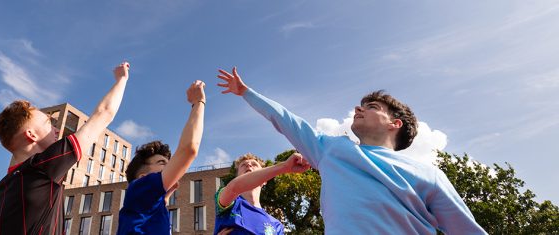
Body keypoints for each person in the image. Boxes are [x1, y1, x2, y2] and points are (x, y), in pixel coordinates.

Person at [216, 67, 487, 234]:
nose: (359, 108)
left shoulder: (428, 175)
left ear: (395, 123)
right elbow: (288, 121)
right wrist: (246, 92)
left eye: (372, 107)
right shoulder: (331, 150)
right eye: (361, 104)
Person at [0, 62, 131, 234]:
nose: (56, 129)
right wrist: (121, 79)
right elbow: (104, 113)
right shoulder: (41, 169)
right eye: (48, 123)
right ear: (31, 135)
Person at [116, 80, 206, 235]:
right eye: (161, 162)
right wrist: (198, 102)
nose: (169, 166)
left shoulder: (148, 204)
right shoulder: (139, 188)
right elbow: (189, 149)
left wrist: (165, 197)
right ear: (143, 177)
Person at [214, 152, 310, 235]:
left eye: (254, 164)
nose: (249, 165)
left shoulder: (276, 225)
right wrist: (285, 166)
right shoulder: (228, 203)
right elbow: (234, 188)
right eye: (243, 165)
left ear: (265, 180)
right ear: (237, 177)